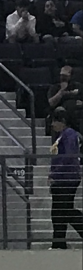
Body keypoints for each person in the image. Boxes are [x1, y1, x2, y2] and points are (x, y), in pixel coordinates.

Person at [48, 107, 83, 249]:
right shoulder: (63, 135)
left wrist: (55, 173)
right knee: (58, 212)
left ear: (62, 121)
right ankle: (58, 242)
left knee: (64, 211)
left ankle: (59, 242)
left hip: (67, 178)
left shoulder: (69, 135)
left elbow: (68, 157)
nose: (52, 125)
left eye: (54, 121)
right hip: (62, 178)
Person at [48, 66, 83, 131]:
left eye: (65, 76)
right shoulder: (55, 87)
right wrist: (61, 91)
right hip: (60, 114)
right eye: (61, 75)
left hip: (76, 112)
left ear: (71, 76)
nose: (63, 78)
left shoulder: (78, 86)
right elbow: (51, 103)